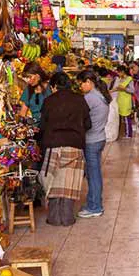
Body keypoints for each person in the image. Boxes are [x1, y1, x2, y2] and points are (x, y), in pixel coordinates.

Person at [40, 73, 92, 226]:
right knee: (69, 184)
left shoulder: (49, 101)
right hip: (74, 145)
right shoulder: (79, 99)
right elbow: (88, 124)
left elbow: (42, 125)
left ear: (54, 86)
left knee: (54, 182)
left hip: (53, 145)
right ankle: (67, 218)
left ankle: (54, 218)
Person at [76, 70, 111, 218]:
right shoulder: (100, 95)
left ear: (88, 82)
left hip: (91, 140)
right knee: (93, 174)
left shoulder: (90, 98)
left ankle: (95, 207)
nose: (80, 87)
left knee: (93, 174)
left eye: (81, 84)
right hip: (100, 137)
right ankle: (93, 202)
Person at [19, 62, 51, 127]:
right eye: (26, 78)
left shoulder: (50, 89)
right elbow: (22, 113)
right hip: (35, 127)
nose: (28, 80)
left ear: (38, 76)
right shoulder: (28, 90)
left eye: (30, 77)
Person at [111, 64, 134, 138]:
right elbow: (117, 88)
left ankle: (129, 134)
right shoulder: (120, 79)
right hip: (120, 100)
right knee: (120, 118)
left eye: (119, 72)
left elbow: (132, 91)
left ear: (123, 72)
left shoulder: (129, 79)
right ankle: (122, 132)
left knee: (127, 118)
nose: (118, 74)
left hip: (126, 101)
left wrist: (125, 89)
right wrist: (110, 91)